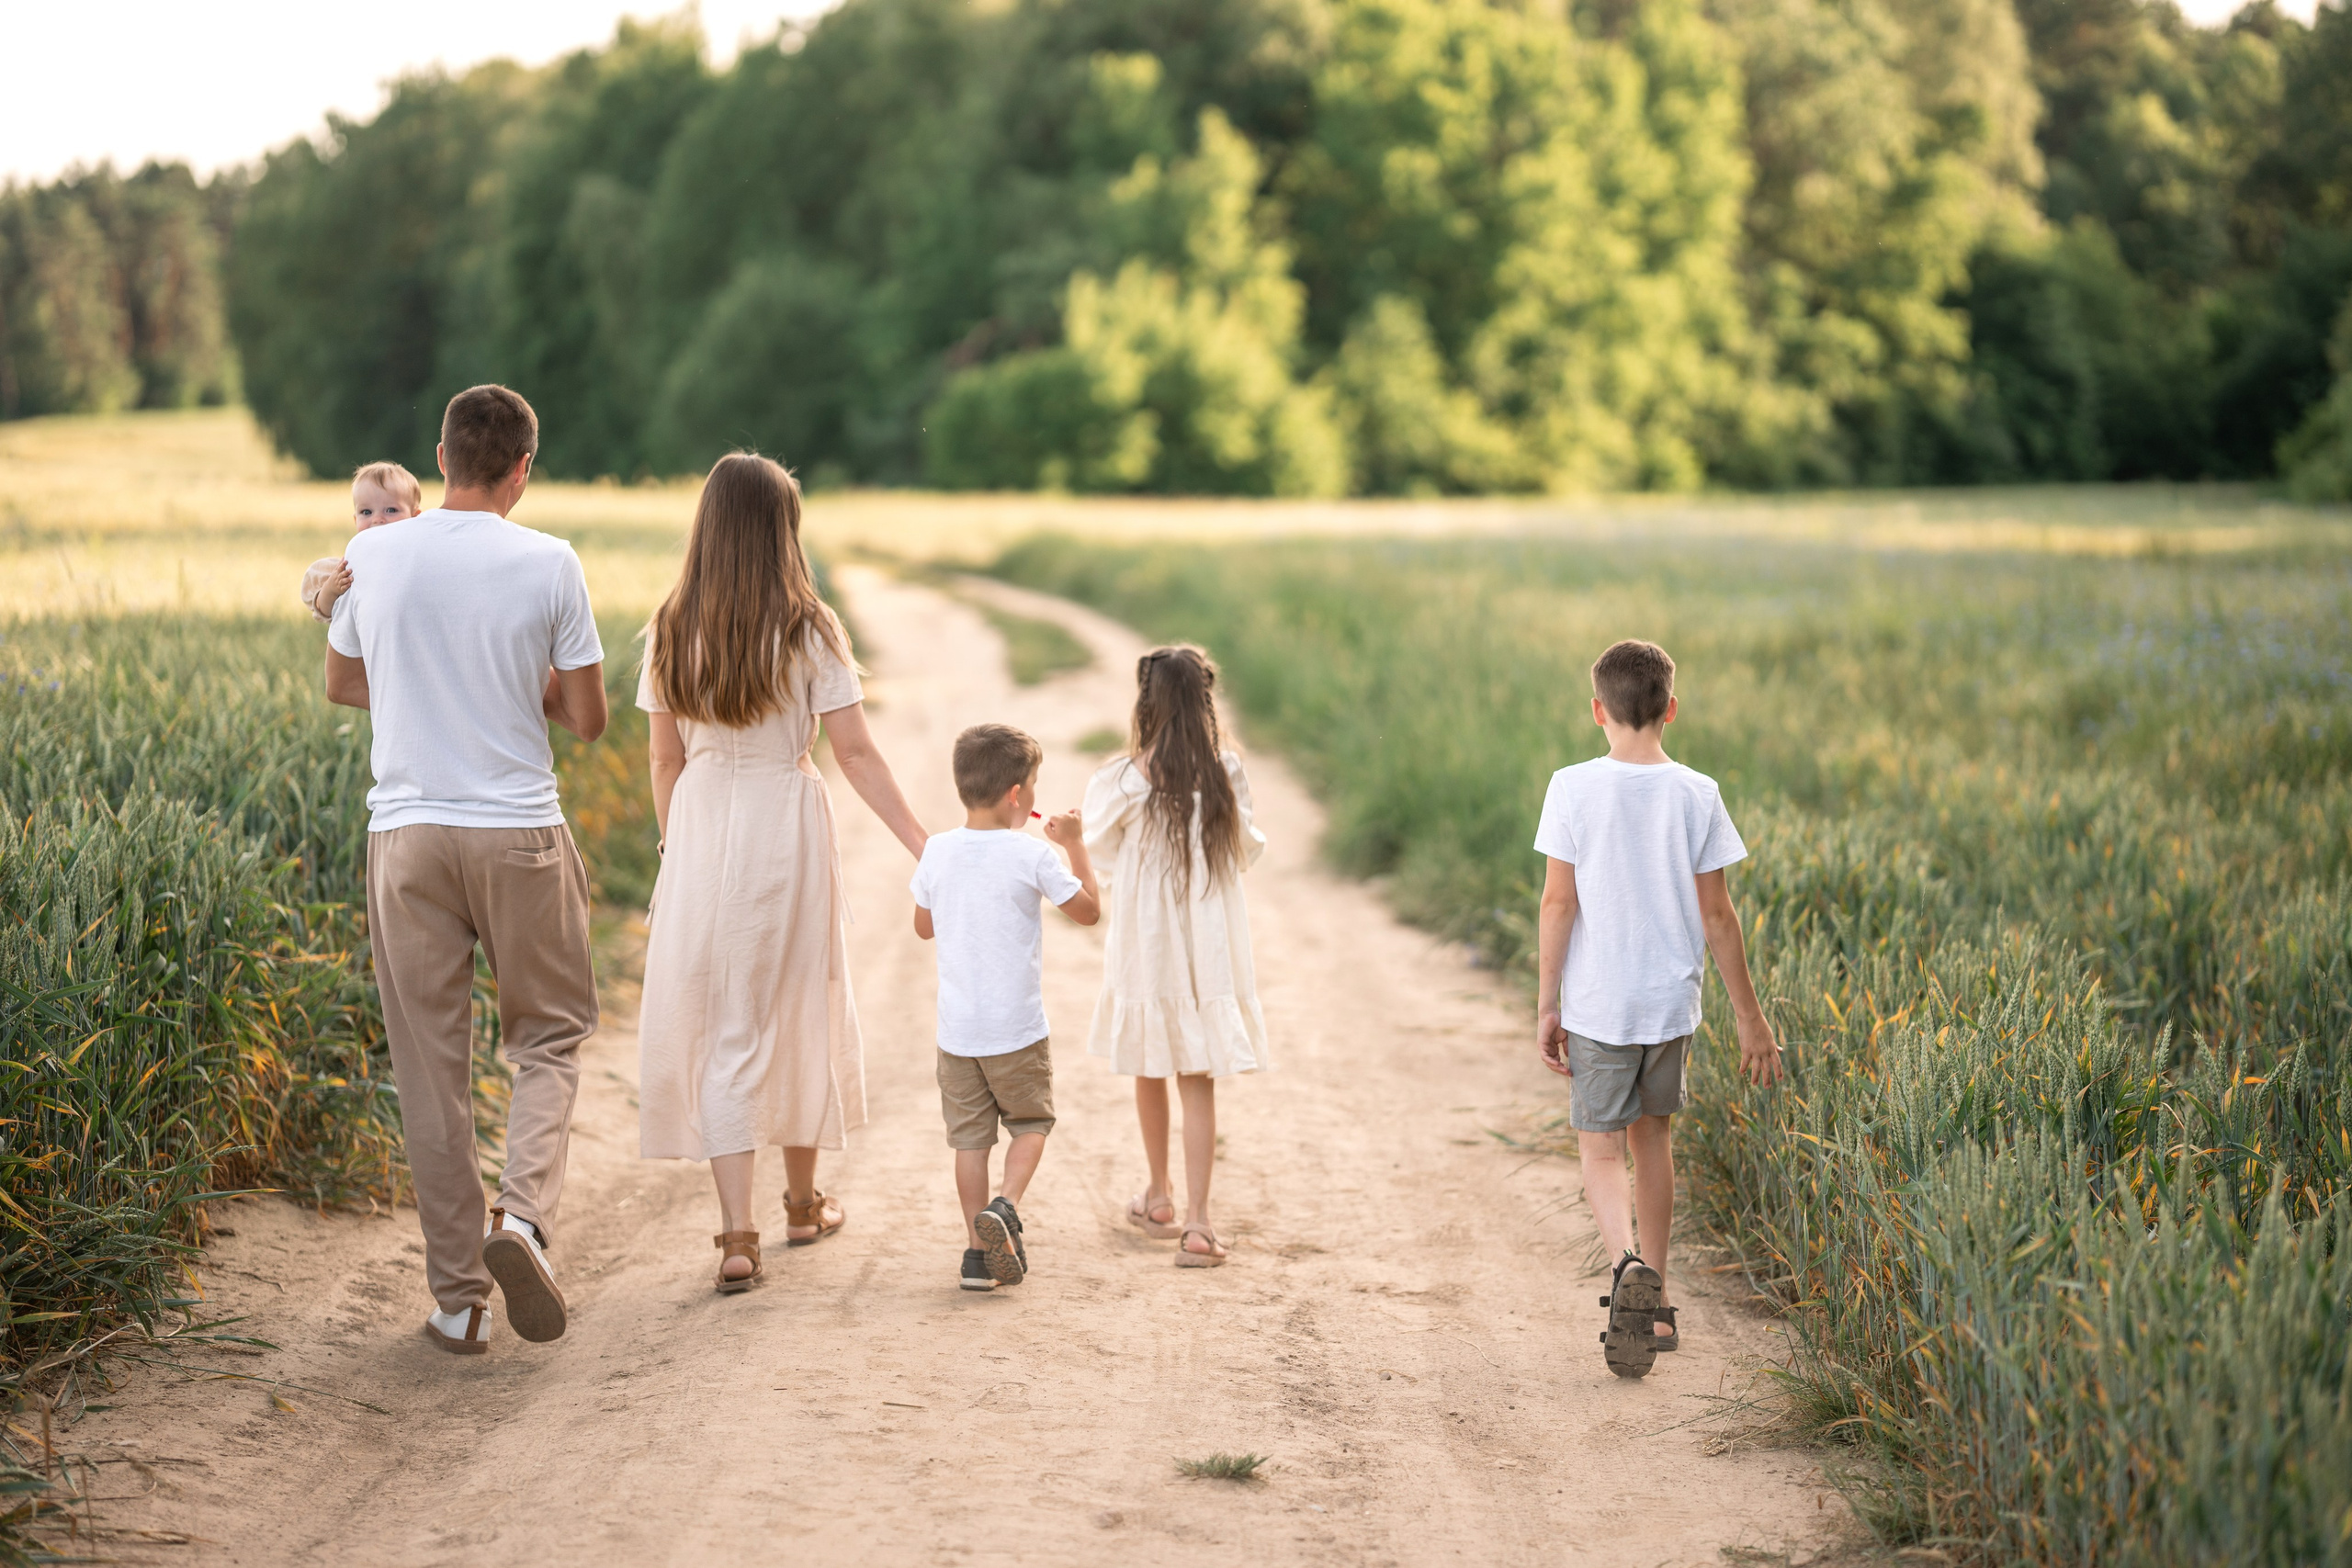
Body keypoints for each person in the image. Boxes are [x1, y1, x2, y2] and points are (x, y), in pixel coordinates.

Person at [323, 385, 608, 1356]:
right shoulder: (551, 561)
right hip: (519, 833)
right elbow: (587, 717)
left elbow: (342, 682)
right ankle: (522, 1222)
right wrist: (512, 680)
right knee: (552, 1034)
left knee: (430, 1071)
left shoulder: (373, 552)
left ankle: (456, 1303)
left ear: (440, 456)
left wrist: (426, 690)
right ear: (523, 467)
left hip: (405, 836)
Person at [636, 453, 928, 1295]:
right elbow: (856, 753)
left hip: (699, 821)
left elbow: (663, 757)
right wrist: (921, 840)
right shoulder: (809, 627)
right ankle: (803, 1203)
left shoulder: (669, 625)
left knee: (727, 1020)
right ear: (780, 530)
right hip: (784, 822)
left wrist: (674, 848)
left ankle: (737, 1234)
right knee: (799, 1002)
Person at [1531, 637, 1782, 1380]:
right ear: (1671, 708)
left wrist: (1547, 1003)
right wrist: (1749, 1015)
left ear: (1597, 712)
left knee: (1599, 1145)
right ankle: (1661, 1299)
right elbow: (1719, 916)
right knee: (1654, 1142)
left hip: (1600, 1003)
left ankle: (1624, 1268)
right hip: (1671, 1004)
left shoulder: (1571, 786)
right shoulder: (1697, 792)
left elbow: (1557, 901)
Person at [1081, 645, 1267, 1268]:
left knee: (1150, 1062)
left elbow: (1102, 853)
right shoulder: (1225, 774)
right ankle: (1198, 1222)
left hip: (1148, 944)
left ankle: (1157, 1194)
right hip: (1205, 944)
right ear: (1204, 702)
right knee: (1197, 1076)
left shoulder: (1124, 779)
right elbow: (1244, 850)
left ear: (1146, 702)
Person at [910, 723, 1098, 1292]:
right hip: (1016, 1030)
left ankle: (975, 1255)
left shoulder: (938, 851)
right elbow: (1089, 912)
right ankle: (1007, 1204)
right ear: (1018, 794)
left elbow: (923, 928)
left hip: (958, 1034)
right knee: (1032, 1121)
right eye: (1034, 785)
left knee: (971, 1142)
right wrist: (1074, 845)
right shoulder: (1031, 852)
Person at [300, 462, 423, 621]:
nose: (378, 519)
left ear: (415, 517)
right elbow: (325, 611)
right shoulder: (349, 569)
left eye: (391, 510)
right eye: (366, 512)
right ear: (355, 519)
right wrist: (332, 589)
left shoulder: (417, 560)